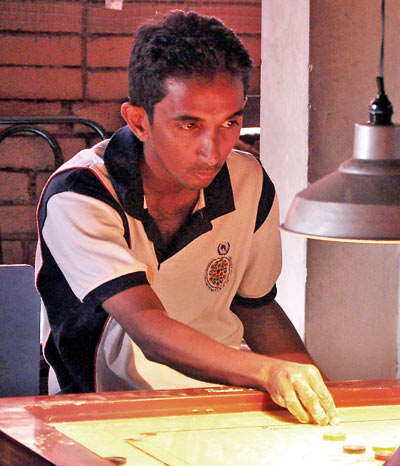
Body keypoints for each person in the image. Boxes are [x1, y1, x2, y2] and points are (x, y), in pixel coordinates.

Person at [35, 10, 338, 426]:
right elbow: (149, 329)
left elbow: (257, 308)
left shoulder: (247, 180)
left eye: (230, 122)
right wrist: (270, 372)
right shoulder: (80, 193)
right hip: (105, 413)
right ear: (139, 121)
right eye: (189, 125)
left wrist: (318, 388)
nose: (212, 150)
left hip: (231, 405)